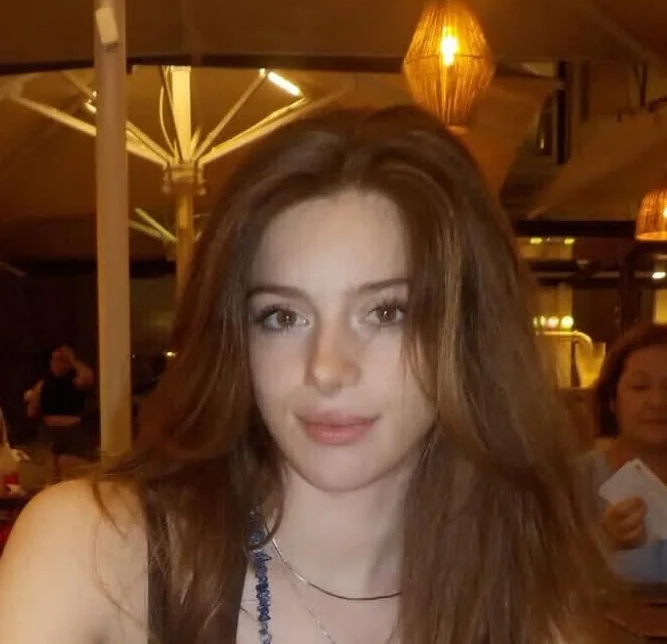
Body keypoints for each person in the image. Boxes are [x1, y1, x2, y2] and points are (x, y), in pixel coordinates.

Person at [0, 106, 609, 644]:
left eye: (386, 313)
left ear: (470, 332)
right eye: (283, 317)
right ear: (234, 339)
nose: (326, 368)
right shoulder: (96, 554)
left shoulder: (532, 595)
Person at [584, 321, 667, 583]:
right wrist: (600, 542)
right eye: (640, 387)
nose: (658, 402)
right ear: (612, 400)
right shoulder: (572, 482)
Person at [23, 345, 94, 480]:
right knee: (49, 471)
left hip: (71, 431)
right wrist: (34, 399)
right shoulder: (44, 383)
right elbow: (31, 412)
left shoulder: (75, 379)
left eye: (60, 359)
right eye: (53, 359)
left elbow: (88, 378)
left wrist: (72, 360)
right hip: (48, 432)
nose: (55, 362)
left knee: (69, 469)